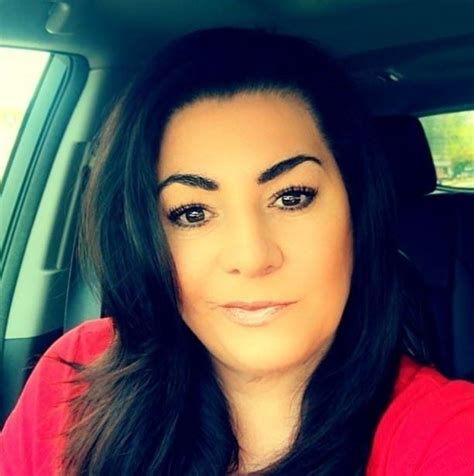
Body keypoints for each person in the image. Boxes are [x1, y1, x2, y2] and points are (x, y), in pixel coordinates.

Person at [1, 27, 473, 476]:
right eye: (191, 213)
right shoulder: (75, 381)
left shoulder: (449, 436)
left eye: (292, 197)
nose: (251, 257)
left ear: (356, 208)